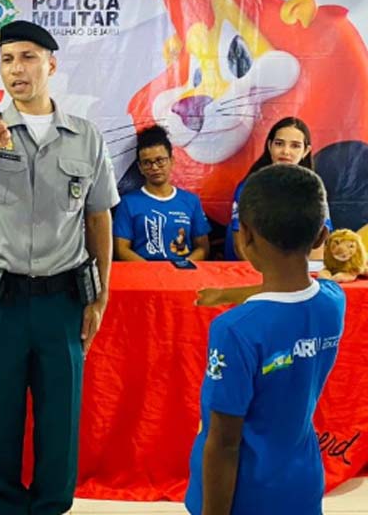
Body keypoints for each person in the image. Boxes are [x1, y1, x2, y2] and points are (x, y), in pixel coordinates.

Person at [0, 20, 120, 515]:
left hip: (61, 300)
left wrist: (101, 293)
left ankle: (51, 506)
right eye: (7, 60)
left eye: (27, 57)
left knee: (60, 416)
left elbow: (99, 216)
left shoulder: (85, 137)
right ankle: (3, 507)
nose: (16, 69)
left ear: (51, 65)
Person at [186, 164, 344, 515]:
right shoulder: (333, 301)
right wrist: (232, 293)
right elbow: (292, 291)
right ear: (320, 237)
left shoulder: (234, 330)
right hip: (301, 484)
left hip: (245, 497)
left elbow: (225, 443)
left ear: (244, 237)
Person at [225, 117, 331, 261]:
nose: (286, 152)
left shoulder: (314, 190)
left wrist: (304, 276)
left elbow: (318, 243)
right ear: (269, 146)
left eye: (295, 146)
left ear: (306, 151)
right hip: (248, 270)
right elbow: (240, 244)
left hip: (297, 273)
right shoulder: (248, 188)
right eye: (279, 144)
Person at [114, 125, 211, 261]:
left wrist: (182, 268)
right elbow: (121, 249)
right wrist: (152, 273)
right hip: (145, 277)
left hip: (183, 276)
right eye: (147, 163)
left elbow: (203, 247)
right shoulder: (128, 203)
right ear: (140, 167)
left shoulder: (191, 201)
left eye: (160, 161)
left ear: (172, 161)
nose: (154, 167)